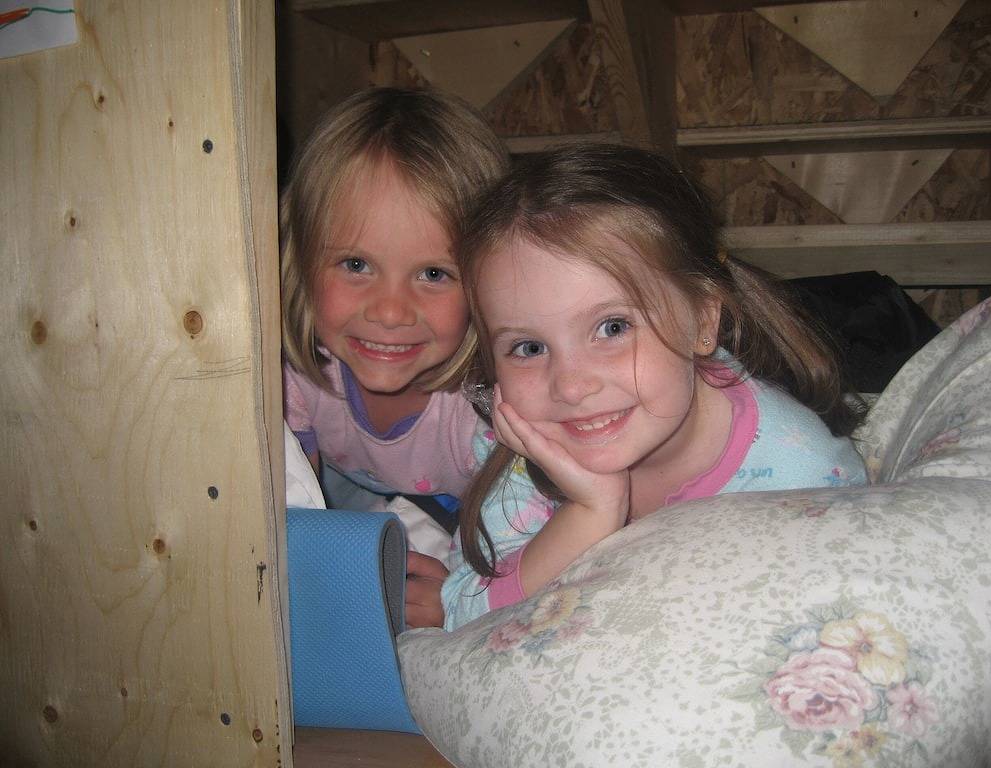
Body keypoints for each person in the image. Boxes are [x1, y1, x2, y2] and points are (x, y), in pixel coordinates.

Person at [442, 143, 868, 630]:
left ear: (703, 320)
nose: (572, 387)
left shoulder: (803, 477)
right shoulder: (527, 440)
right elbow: (462, 615)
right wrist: (590, 510)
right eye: (529, 348)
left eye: (613, 328)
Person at [280, 87, 509, 628]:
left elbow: (534, 539)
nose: (388, 312)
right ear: (304, 258)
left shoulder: (491, 407)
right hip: (355, 488)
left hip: (478, 503)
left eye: (433, 274)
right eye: (356, 264)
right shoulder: (295, 374)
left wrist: (463, 598)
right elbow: (297, 522)